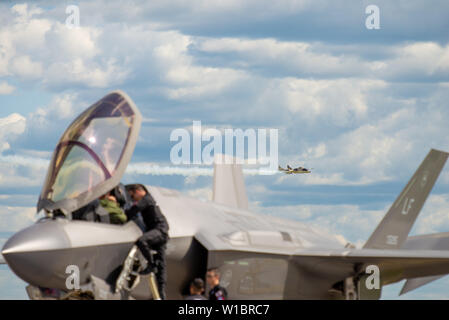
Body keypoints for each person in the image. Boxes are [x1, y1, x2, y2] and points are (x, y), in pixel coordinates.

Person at [125, 184, 169, 300]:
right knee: (161, 269)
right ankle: (161, 295)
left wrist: (123, 215)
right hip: (160, 233)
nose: (133, 198)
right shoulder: (148, 200)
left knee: (141, 241)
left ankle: (151, 264)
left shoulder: (146, 200)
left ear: (139, 191)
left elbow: (134, 210)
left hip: (159, 230)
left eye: (133, 195)